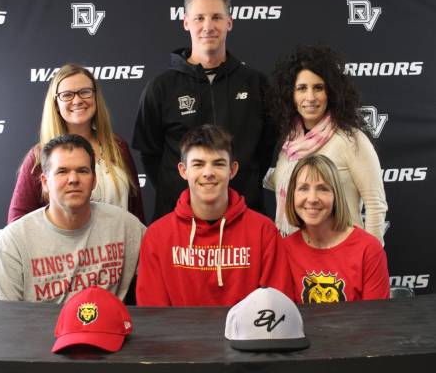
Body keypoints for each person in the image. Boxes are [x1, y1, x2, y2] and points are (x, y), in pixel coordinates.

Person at [133, 0, 276, 221]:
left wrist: (242, 185)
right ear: (186, 22)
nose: (208, 26)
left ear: (229, 23)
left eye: (216, 17)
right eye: (199, 18)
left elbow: (265, 149)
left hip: (244, 217)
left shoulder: (256, 84)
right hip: (179, 218)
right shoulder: (161, 87)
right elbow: (150, 155)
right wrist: (178, 189)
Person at [136, 124, 290, 307]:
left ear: (232, 170)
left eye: (218, 164)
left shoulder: (264, 232)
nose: (208, 173)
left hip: (247, 336)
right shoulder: (157, 236)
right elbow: (154, 316)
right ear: (183, 170)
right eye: (198, 164)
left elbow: (277, 308)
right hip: (180, 336)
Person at [0, 134, 145, 303]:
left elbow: (162, 255)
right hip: (38, 329)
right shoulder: (14, 241)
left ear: (94, 181)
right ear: (45, 182)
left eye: (82, 171)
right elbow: (0, 316)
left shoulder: (125, 226)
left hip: (106, 328)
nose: (73, 179)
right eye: (62, 171)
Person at [264, 44, 387, 243]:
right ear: (291, 95)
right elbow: (282, 180)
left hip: (344, 255)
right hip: (296, 255)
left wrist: (370, 257)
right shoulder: (290, 143)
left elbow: (375, 205)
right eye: (302, 88)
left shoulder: (351, 140)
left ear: (331, 93)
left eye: (318, 88)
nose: (310, 97)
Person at [8, 63, 144, 224]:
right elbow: (17, 223)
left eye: (85, 92)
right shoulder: (39, 156)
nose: (77, 100)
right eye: (67, 95)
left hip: (118, 247)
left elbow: (136, 213)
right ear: (56, 104)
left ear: (95, 97)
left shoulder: (117, 147)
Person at [281, 154, 390, 303]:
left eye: (323, 189)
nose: (312, 199)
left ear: (336, 195)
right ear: (292, 195)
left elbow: (375, 320)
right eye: (303, 188)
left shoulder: (369, 250)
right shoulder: (283, 250)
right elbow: (283, 319)